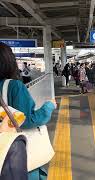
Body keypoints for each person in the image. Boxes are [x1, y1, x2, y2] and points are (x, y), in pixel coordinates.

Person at [0, 42, 57, 180]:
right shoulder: (14, 86)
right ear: (8, 61)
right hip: (11, 154)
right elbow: (27, 120)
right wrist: (49, 106)